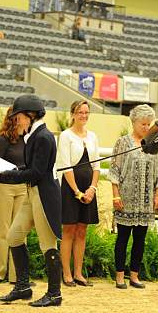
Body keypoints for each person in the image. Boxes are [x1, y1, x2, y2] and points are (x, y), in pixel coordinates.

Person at [0, 95, 63, 307]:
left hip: (43, 196)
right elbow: (31, 169)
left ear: (31, 115)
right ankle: (23, 287)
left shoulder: (43, 137)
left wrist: (9, 175)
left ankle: (54, 293)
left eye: (19, 117)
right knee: (14, 236)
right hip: (31, 193)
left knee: (48, 245)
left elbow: (36, 173)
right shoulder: (33, 135)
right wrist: (13, 171)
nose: (17, 121)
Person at [109, 104, 158, 289]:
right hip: (126, 199)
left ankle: (134, 275)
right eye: (143, 124)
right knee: (123, 239)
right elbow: (114, 170)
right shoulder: (123, 143)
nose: (147, 128)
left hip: (146, 202)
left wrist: (157, 195)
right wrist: (116, 196)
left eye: (149, 124)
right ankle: (119, 276)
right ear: (134, 123)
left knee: (140, 239)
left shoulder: (154, 144)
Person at [57, 100, 99, 287]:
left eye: (86, 112)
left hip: (89, 188)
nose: (83, 115)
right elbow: (65, 166)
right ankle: (66, 273)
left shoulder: (93, 137)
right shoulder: (66, 136)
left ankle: (78, 273)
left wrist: (92, 189)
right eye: (80, 112)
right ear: (73, 114)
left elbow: (97, 166)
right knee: (69, 230)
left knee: (82, 230)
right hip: (70, 188)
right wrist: (77, 192)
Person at [0, 107, 26, 284]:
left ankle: (17, 276)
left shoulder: (27, 139)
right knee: (4, 231)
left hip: (22, 188)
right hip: (4, 188)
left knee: (19, 232)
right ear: (14, 118)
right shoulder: (3, 140)